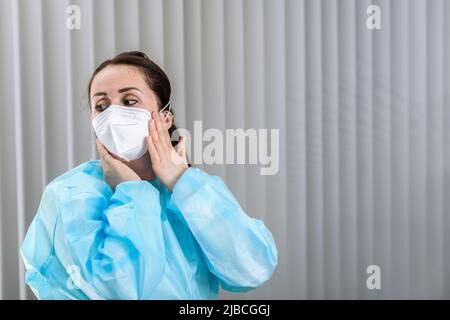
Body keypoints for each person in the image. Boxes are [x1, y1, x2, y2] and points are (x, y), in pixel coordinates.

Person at [20, 51, 278, 300]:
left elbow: (252, 270)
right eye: (101, 106)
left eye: (129, 101)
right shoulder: (72, 194)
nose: (112, 115)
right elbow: (121, 290)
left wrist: (182, 181)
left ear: (165, 117)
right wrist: (132, 193)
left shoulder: (191, 192)